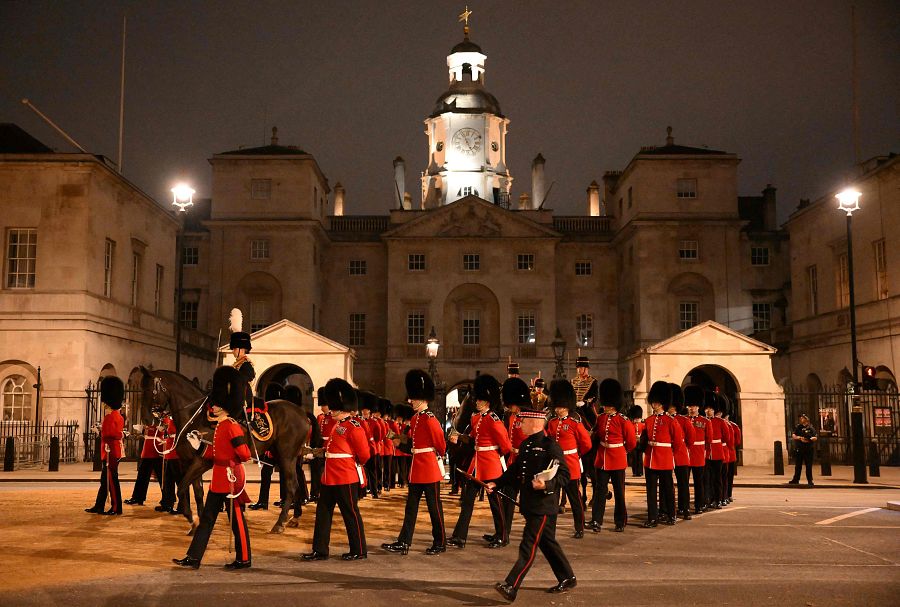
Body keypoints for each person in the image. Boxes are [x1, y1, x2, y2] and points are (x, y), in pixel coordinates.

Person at [488, 390, 576, 602]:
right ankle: (568, 577)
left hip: (543, 506)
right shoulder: (527, 445)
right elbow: (515, 471)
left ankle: (511, 585)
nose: (520, 424)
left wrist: (546, 484)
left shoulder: (550, 446)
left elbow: (565, 474)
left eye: (524, 421)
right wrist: (497, 483)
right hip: (530, 504)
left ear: (536, 423)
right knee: (547, 543)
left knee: (527, 545)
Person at [173, 366, 252, 570]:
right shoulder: (221, 426)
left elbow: (244, 454)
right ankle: (194, 557)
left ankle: (244, 558)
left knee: (236, 521)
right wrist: (198, 447)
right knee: (207, 520)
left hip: (230, 479)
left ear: (225, 405)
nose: (213, 408)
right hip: (218, 480)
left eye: (216, 405)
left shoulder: (232, 426)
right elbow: (215, 455)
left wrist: (232, 460)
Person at [302, 378, 370, 561]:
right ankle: (320, 549)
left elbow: (364, 455)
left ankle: (359, 549)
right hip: (329, 477)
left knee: (350, 513)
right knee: (323, 513)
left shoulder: (354, 427)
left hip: (345, 477)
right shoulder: (337, 426)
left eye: (334, 407)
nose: (330, 410)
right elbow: (331, 449)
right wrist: (315, 453)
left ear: (343, 407)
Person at [382, 369, 447, 556]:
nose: (410, 401)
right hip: (417, 468)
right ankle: (404, 541)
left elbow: (440, 445)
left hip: (429, 468)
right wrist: (399, 443)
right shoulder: (415, 418)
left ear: (423, 398)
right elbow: (412, 444)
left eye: (414, 398)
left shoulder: (430, 419)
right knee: (411, 507)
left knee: (434, 508)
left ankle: (440, 541)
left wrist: (433, 456)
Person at [448, 374, 512, 549]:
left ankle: (502, 536)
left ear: (487, 402)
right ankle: (460, 537)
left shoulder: (494, 420)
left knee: (495, 503)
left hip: (490, 465)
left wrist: (493, 455)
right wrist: (459, 438)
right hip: (477, 465)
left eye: (480, 400)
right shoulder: (476, 418)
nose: (476, 402)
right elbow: (472, 439)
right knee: (467, 500)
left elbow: (505, 446)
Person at [546, 380, 592, 538]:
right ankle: (550, 529)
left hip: (571, 464)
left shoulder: (574, 423)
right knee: (553, 498)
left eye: (559, 406)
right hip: (556, 465)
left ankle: (579, 527)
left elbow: (586, 443)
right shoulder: (552, 423)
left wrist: (576, 454)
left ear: (566, 406)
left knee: (575, 499)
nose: (557, 409)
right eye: (556, 406)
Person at [589, 378, 636, 532]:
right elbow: (597, 434)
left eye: (609, 405)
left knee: (619, 492)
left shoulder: (623, 420)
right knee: (600, 491)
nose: (606, 407)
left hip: (617, 459)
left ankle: (620, 520)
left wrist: (623, 452)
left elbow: (631, 442)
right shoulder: (601, 418)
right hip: (602, 459)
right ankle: (596, 520)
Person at [640, 381, 683, 527]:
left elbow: (677, 442)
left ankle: (672, 514)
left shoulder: (671, 421)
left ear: (662, 403)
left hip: (664, 458)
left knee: (668, 489)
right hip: (651, 459)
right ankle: (653, 517)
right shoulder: (649, 420)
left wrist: (670, 455)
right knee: (651, 492)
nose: (654, 404)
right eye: (654, 401)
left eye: (657, 402)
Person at [85, 375, 125, 516]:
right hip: (110, 450)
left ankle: (116, 508)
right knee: (105, 481)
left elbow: (111, 434)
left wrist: (100, 430)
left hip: (110, 452)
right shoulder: (117, 416)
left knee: (112, 481)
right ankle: (99, 505)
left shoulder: (110, 417)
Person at [498, 377, 530, 543]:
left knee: (528, 502)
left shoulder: (529, 418)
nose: (510, 408)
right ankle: (504, 534)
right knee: (508, 498)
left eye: (511, 405)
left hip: (526, 463)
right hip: (512, 462)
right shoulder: (511, 418)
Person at [124, 415, 164, 507]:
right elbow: (148, 433)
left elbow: (162, 431)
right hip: (147, 451)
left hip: (156, 450)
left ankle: (168, 499)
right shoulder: (150, 419)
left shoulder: (162, 419)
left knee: (162, 478)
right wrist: (143, 429)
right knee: (142, 476)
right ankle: (138, 497)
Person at [668, 383, 694, 521]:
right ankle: (667, 508)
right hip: (666, 455)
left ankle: (685, 508)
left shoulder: (684, 420)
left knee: (683, 484)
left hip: (681, 455)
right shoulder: (665, 419)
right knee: (667, 484)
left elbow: (691, 439)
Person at [683, 385, 709, 515]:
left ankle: (700, 504)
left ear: (698, 407)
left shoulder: (705, 421)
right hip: (686, 454)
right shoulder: (683, 420)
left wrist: (706, 453)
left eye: (694, 406)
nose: (691, 408)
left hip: (698, 454)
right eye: (689, 406)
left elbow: (708, 440)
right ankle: (685, 505)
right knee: (684, 483)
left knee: (699, 483)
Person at [704, 391, 727, 509]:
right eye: (707, 408)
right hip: (706, 454)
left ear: (715, 410)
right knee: (707, 479)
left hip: (717, 453)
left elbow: (726, 437)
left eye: (711, 409)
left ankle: (718, 499)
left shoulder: (720, 422)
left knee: (717, 479)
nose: (708, 410)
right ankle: (708, 499)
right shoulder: (702, 421)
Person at [789, 413, 818, 486]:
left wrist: (809, 439)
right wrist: (800, 438)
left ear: (806, 420)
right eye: (801, 418)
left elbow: (815, 437)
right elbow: (794, 435)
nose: (801, 419)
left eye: (802, 418)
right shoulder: (798, 427)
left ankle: (809, 480)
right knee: (798, 465)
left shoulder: (811, 428)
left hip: (808, 449)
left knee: (808, 466)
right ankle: (796, 479)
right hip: (800, 448)